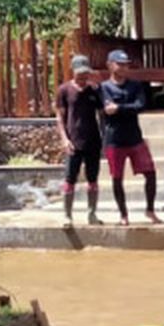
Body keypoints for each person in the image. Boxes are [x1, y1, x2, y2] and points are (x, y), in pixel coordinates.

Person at [102, 49, 162, 225]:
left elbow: (140, 105)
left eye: (125, 65)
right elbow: (107, 110)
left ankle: (150, 210)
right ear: (110, 65)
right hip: (114, 139)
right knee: (116, 177)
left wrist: (119, 108)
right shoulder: (104, 87)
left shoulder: (135, 86)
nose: (123, 68)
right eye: (119, 64)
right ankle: (123, 214)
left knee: (150, 173)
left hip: (135, 137)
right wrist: (125, 108)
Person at [54, 55, 104, 227]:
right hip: (73, 142)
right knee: (70, 179)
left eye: (85, 74)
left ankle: (92, 214)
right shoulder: (64, 90)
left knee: (93, 178)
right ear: (73, 72)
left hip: (93, 141)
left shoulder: (94, 90)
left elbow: (103, 111)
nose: (83, 78)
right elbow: (59, 117)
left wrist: (99, 84)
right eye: (80, 75)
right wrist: (64, 139)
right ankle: (67, 216)